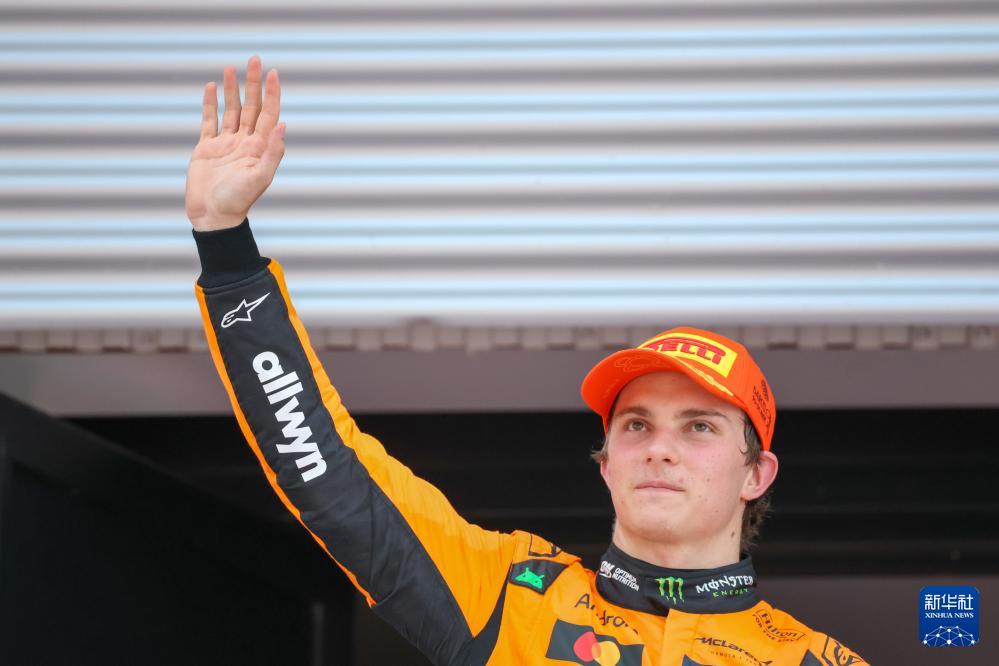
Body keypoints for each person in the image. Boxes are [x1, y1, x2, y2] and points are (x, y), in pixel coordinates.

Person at [186, 56, 869, 666]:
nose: (659, 449)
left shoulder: (813, 661)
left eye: (699, 426)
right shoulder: (509, 595)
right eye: (635, 425)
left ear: (756, 473)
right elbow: (328, 472)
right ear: (606, 462)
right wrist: (226, 247)